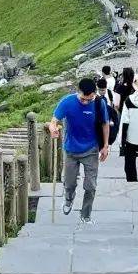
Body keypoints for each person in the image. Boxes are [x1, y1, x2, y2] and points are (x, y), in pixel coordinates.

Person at [48, 76, 110, 223]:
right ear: (78, 92)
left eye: (88, 99)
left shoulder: (99, 104)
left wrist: (105, 146)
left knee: (90, 186)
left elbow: (105, 124)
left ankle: (86, 214)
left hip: (91, 149)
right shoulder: (67, 101)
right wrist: (53, 129)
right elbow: (54, 120)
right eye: (82, 99)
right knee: (69, 183)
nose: (85, 102)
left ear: (94, 94)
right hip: (71, 149)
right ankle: (69, 199)